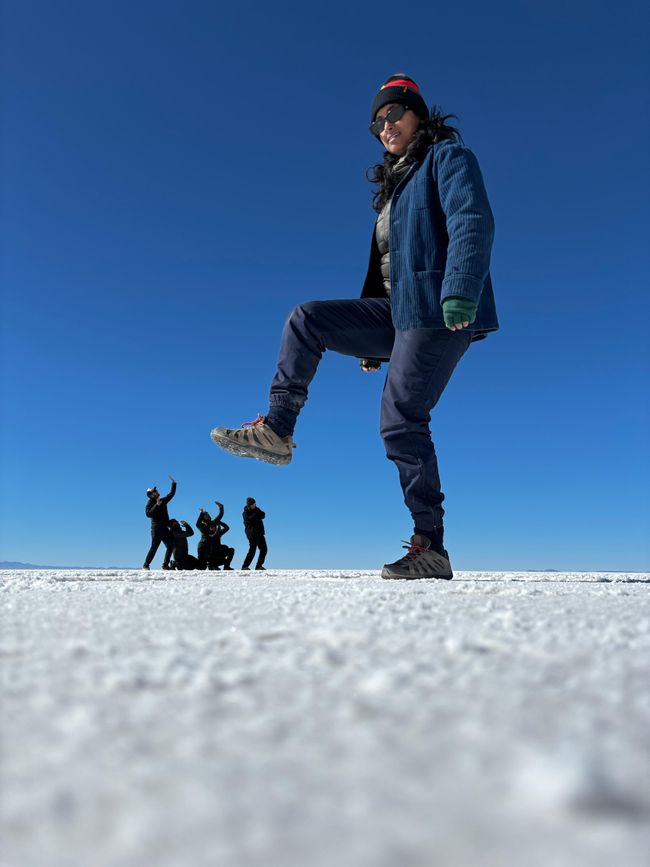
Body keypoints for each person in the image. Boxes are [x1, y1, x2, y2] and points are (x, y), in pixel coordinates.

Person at [210, 73, 498, 580]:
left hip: (437, 307)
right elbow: (386, 272)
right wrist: (370, 342)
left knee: (400, 418)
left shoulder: (447, 158)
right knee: (308, 319)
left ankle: (431, 546)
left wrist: (460, 288)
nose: (385, 126)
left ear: (418, 115)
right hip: (397, 314)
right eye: (376, 122)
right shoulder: (395, 190)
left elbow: (471, 220)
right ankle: (277, 429)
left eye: (394, 114)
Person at [143, 475, 177, 570]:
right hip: (156, 529)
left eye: (156, 490)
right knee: (154, 547)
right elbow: (148, 514)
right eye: (154, 491)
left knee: (171, 545)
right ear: (151, 494)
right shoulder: (150, 503)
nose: (156, 491)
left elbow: (171, 494)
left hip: (164, 528)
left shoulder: (162, 500)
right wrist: (157, 505)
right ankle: (146, 565)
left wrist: (174, 483)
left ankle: (165, 565)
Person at [241, 498, 267, 570]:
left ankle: (259, 566)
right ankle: (244, 566)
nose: (255, 505)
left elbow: (263, 515)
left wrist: (256, 513)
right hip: (251, 533)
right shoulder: (245, 513)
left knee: (264, 549)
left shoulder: (257, 510)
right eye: (253, 504)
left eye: (255, 504)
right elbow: (251, 519)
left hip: (260, 533)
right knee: (252, 549)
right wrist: (256, 514)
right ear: (249, 505)